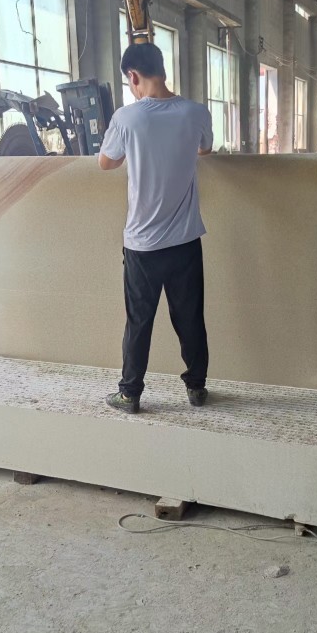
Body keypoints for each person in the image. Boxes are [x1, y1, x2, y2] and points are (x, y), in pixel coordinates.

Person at [98, 41, 213, 414]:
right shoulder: (196, 112)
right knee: (190, 318)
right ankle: (197, 388)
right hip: (185, 241)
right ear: (162, 70)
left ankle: (130, 394)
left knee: (139, 321)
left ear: (133, 76)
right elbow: (205, 150)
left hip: (142, 244)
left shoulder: (127, 118)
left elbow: (106, 163)